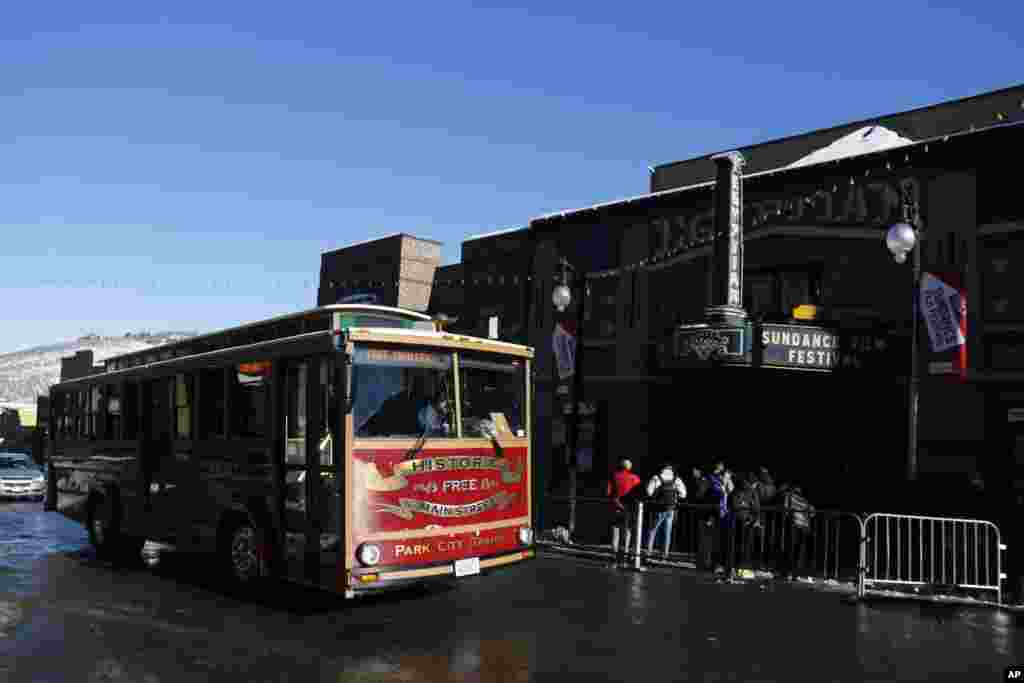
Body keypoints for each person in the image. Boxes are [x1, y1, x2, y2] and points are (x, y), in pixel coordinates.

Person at [645, 463, 687, 559]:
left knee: (653, 530)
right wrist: (676, 496)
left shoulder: (657, 477)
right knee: (667, 532)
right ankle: (664, 554)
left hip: (659, 508)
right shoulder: (676, 479)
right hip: (671, 509)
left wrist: (655, 495)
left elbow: (649, 492)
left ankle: (648, 552)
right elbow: (684, 494)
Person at [607, 459, 642, 568]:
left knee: (616, 528)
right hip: (630, 507)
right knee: (628, 530)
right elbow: (639, 493)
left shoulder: (614, 476)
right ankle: (625, 553)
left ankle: (614, 552)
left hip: (616, 505)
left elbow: (607, 492)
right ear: (629, 467)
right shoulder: (635, 478)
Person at [782, 484, 815, 580]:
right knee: (795, 550)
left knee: (794, 550)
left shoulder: (800, 499)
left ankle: (792, 573)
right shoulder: (797, 498)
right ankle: (792, 573)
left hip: (799, 525)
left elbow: (786, 510)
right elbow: (812, 513)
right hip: (799, 525)